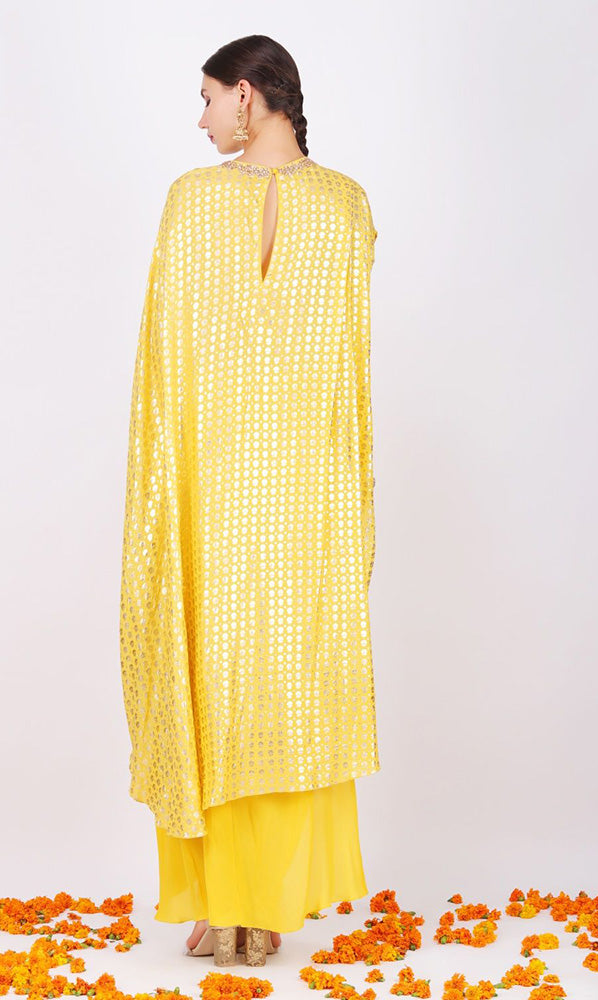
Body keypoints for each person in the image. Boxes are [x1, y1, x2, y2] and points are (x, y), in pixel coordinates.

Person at [118, 34, 380, 968]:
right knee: (285, 683)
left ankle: (228, 898)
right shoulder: (348, 205)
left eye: (205, 99)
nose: (200, 121)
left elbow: (163, 370)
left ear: (246, 94)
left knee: (217, 675)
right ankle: (259, 904)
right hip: (308, 490)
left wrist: (163, 492)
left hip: (213, 485)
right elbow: (349, 373)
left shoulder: (191, 201)